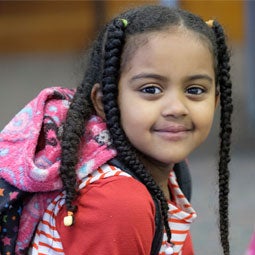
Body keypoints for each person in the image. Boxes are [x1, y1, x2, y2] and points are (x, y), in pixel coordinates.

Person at [0, 4, 233, 255]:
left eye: (195, 90)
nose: (177, 108)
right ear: (105, 100)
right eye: (151, 89)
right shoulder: (118, 202)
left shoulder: (172, 171)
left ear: (216, 100)